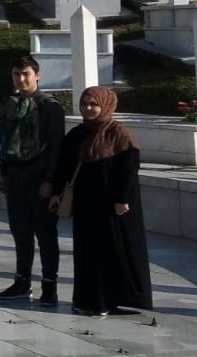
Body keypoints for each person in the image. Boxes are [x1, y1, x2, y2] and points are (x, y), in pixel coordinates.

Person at [52, 87, 152, 317]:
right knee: (87, 252)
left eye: (93, 104)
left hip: (112, 206)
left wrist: (122, 198)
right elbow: (64, 166)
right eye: (84, 103)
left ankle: (110, 301)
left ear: (106, 105)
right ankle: (86, 300)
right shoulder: (77, 134)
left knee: (112, 252)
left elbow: (129, 170)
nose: (88, 108)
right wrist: (57, 192)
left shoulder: (119, 134)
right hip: (86, 204)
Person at [0, 56, 66, 306]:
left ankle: (50, 286)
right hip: (15, 177)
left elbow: (57, 147)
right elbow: (4, 141)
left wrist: (50, 181)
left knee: (45, 234)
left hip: (40, 178)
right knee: (20, 232)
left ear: (37, 75)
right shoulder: (9, 104)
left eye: (25, 73)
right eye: (16, 74)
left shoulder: (50, 107)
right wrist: (4, 173)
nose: (21, 79)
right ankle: (22, 281)